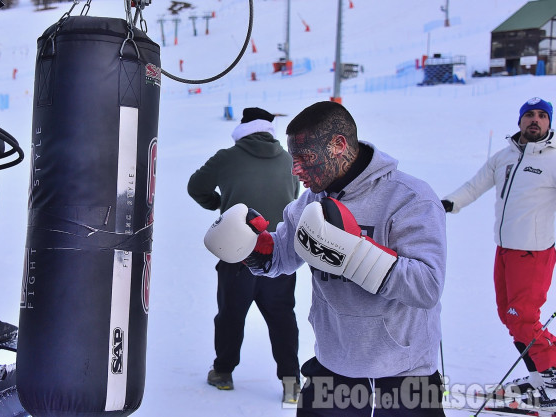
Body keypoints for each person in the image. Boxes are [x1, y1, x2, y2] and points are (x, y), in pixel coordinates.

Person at [204, 101, 447, 416]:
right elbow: (283, 256)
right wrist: (255, 249)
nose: (295, 169)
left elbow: (426, 287)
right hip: (333, 366)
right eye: (293, 159)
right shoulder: (312, 200)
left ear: (339, 146)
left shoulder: (410, 198)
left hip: (401, 375)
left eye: (305, 158)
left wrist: (352, 253)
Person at [441, 97, 556, 408]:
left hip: (534, 253)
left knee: (523, 318)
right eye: (529, 115)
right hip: (505, 249)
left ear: (549, 122)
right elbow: (474, 185)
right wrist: (449, 203)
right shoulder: (504, 157)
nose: (535, 120)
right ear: (520, 121)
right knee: (510, 316)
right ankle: (543, 376)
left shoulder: (553, 159)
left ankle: (552, 378)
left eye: (542, 116)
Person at [187, 107, 302, 403]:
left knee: (231, 315)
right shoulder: (289, 161)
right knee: (282, 318)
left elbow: (195, 186)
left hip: (237, 254)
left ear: (243, 130)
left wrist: (220, 204)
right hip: (280, 255)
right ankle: (291, 384)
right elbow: (293, 198)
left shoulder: (227, 157)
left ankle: (223, 373)